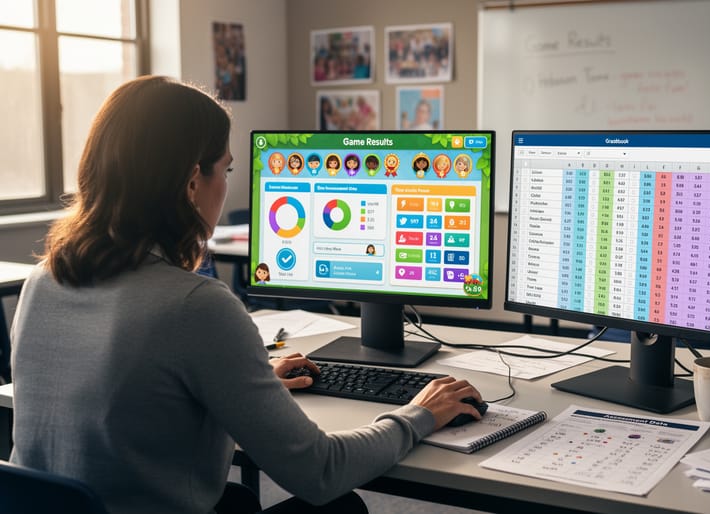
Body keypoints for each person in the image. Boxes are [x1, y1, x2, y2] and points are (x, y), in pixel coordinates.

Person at [9, 76, 484, 514]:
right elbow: (320, 472)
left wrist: (248, 383)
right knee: (341, 507)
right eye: (226, 170)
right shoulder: (196, 306)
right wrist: (419, 415)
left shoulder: (43, 283)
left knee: (236, 498)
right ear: (193, 181)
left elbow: (137, 401)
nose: (226, 184)